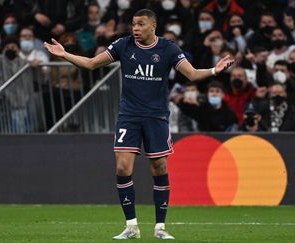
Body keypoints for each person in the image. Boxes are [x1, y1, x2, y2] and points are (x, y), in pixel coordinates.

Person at [44, 9, 234, 240]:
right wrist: (65, 55)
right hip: (129, 116)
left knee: (159, 168)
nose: (135, 28)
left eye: (140, 24)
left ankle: (160, 228)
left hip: (156, 117)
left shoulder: (168, 48)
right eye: (133, 24)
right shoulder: (123, 45)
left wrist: (215, 70)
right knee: (123, 168)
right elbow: (92, 64)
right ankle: (131, 226)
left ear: (152, 26)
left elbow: (192, 74)